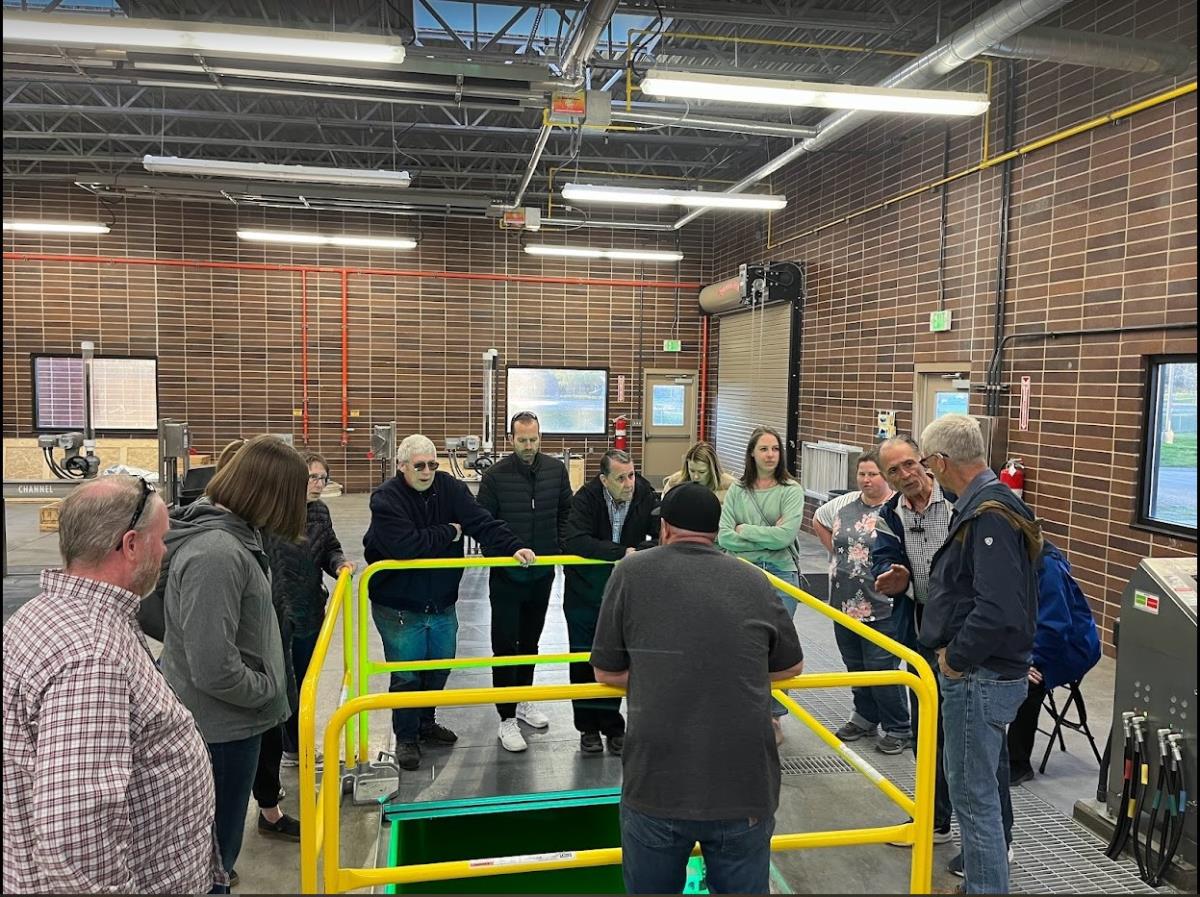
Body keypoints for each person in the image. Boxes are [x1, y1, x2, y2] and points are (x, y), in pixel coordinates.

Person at [3, 476, 225, 894]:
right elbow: (74, 834)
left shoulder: (45, 615)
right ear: (130, 545)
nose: (164, 551)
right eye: (161, 540)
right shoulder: (92, 655)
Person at [591, 483, 804, 894]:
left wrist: (663, 673)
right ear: (716, 531)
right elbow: (791, 665)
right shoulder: (754, 580)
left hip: (657, 783)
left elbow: (606, 672)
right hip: (744, 785)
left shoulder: (630, 573)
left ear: (665, 528)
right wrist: (725, 672)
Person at [142, 435, 305, 882]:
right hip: (221, 731)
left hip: (230, 724)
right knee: (213, 859)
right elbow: (213, 664)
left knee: (217, 852)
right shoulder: (217, 553)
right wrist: (266, 691)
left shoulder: (234, 540)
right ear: (272, 495)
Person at [872, 434, 1016, 871]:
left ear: (928, 461)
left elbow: (1010, 585)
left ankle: (998, 840)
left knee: (981, 746)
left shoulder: (966, 505)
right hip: (926, 639)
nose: (905, 475)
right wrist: (891, 576)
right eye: (893, 470)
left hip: (973, 645)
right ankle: (935, 820)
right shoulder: (889, 516)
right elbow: (884, 561)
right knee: (928, 733)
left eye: (909, 464)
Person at [363, 433, 536, 771]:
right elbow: (404, 546)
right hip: (399, 607)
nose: (427, 472)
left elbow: (481, 522)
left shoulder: (450, 488)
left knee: (439, 667)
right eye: (419, 466)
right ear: (401, 467)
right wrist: (450, 532)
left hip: (441, 602)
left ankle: (426, 723)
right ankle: (407, 737)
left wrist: (513, 546)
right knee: (407, 676)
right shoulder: (385, 498)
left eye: (431, 464)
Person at [919, 414, 1039, 895]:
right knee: (980, 790)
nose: (930, 474)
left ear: (943, 462)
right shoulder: (998, 504)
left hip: (979, 677)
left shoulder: (987, 513)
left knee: (974, 799)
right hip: (989, 673)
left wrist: (957, 659)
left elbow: (996, 606)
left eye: (929, 465)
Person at [477, 411, 573, 753]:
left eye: (533, 440)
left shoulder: (556, 471)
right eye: (522, 440)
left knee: (531, 643)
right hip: (506, 576)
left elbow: (566, 512)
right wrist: (503, 554)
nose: (529, 446)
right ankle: (506, 717)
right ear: (510, 439)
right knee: (505, 646)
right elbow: (482, 524)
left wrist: (558, 548)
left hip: (542, 574)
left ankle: (524, 700)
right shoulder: (494, 477)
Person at [813, 449, 911, 755]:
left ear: (886, 476)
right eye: (862, 474)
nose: (867, 480)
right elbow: (818, 519)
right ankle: (866, 715)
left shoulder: (895, 510)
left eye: (873, 474)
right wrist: (837, 554)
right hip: (844, 601)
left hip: (882, 604)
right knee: (855, 664)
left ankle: (899, 725)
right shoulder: (844, 504)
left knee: (881, 666)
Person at [562, 448, 659, 755]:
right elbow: (576, 539)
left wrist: (638, 551)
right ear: (604, 480)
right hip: (584, 592)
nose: (629, 482)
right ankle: (587, 728)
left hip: (625, 595)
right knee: (583, 658)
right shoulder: (586, 498)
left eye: (631, 474)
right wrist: (623, 553)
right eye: (621, 477)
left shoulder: (643, 492)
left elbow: (660, 534)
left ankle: (613, 725)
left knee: (617, 659)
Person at [717, 425, 806, 744]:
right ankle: (741, 709)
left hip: (782, 575)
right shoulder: (738, 491)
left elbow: (786, 537)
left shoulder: (791, 490)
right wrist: (763, 537)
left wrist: (746, 531)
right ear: (752, 454)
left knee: (775, 647)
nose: (771, 455)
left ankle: (773, 715)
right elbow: (723, 535)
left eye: (775, 449)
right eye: (764, 449)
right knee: (740, 644)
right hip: (742, 573)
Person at [661, 440, 737, 503]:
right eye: (692, 471)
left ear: (712, 470)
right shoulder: (675, 483)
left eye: (702, 472)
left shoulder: (730, 488)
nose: (696, 477)